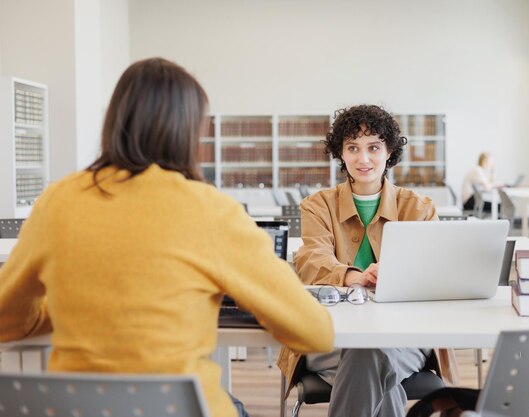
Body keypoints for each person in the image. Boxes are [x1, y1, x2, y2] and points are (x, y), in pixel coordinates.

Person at [0, 58, 334, 417]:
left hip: (79, 409)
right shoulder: (210, 210)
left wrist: (81, 303)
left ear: (115, 120)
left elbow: (7, 319)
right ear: (189, 131)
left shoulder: (57, 201)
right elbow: (314, 333)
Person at [277, 104, 458, 417]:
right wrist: (351, 276)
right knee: (374, 365)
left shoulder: (419, 208)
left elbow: (432, 273)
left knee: (369, 354)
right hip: (329, 337)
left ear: (388, 152)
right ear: (341, 154)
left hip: (404, 339)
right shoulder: (318, 205)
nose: (363, 159)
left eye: (373, 147)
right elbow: (310, 258)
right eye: (353, 148)